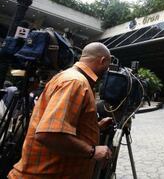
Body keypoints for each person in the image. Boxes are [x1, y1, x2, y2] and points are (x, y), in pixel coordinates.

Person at [8, 42, 113, 179]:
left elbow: (62, 125)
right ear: (102, 61)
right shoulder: (75, 82)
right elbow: (48, 134)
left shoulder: (71, 78)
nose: (107, 70)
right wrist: (92, 151)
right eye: (107, 65)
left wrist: (95, 127)